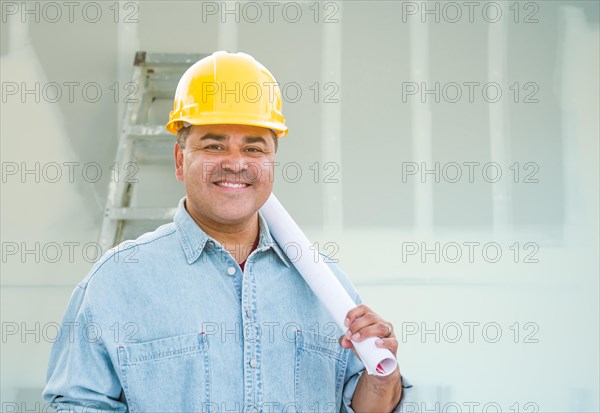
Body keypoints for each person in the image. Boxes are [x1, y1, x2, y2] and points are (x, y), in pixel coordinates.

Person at [43, 51, 412, 413]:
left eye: (253, 148)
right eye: (214, 145)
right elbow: (77, 405)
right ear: (179, 159)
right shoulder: (118, 281)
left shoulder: (326, 285)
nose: (235, 163)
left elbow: (367, 407)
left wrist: (383, 380)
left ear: (271, 162)